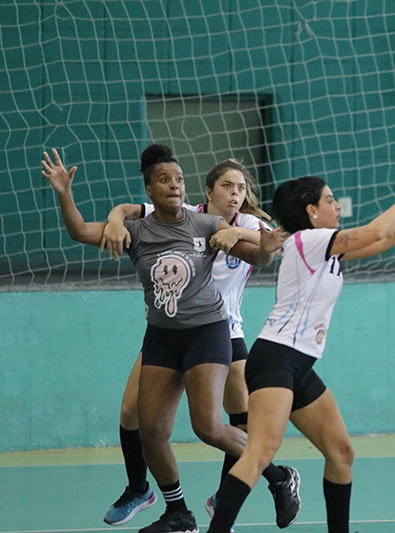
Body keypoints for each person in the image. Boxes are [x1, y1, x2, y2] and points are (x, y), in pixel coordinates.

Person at [41, 145, 286, 533]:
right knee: (151, 432)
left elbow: (258, 257)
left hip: (207, 332)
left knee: (209, 427)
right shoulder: (136, 231)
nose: (174, 185)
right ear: (150, 191)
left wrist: (267, 251)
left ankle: (278, 476)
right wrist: (64, 193)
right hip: (161, 337)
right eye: (164, 180)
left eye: (179, 179)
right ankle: (178, 513)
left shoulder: (207, 225)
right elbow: (79, 231)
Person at [207, 155, 395, 533]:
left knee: (341, 453)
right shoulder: (309, 239)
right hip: (276, 359)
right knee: (259, 450)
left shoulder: (322, 246)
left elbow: (385, 239)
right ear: (311, 211)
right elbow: (375, 231)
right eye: (329, 200)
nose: (336, 205)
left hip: (298, 364)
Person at [98, 158, 300, 530]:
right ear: (208, 191)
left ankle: (228, 495)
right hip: (172, 327)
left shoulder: (249, 225)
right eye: (227, 186)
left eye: (241, 188)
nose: (235, 194)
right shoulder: (185, 212)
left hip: (223, 328)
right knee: (132, 413)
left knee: (232, 419)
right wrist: (114, 218)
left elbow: (271, 247)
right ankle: (139, 489)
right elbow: (131, 210)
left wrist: (237, 235)